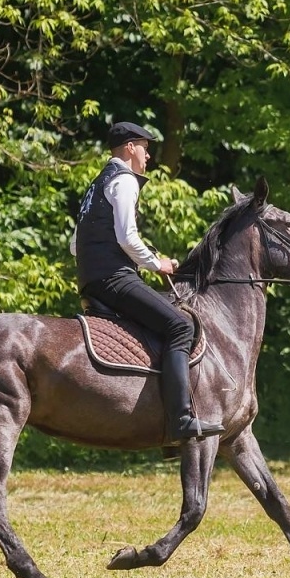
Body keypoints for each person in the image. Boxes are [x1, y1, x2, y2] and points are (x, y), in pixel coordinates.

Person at [72, 121, 223, 443]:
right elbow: (127, 237)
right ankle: (180, 420)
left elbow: (75, 245)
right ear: (130, 147)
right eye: (145, 147)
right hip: (113, 278)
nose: (148, 155)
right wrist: (157, 264)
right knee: (181, 326)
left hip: (91, 279)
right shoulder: (125, 180)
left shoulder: (98, 184)